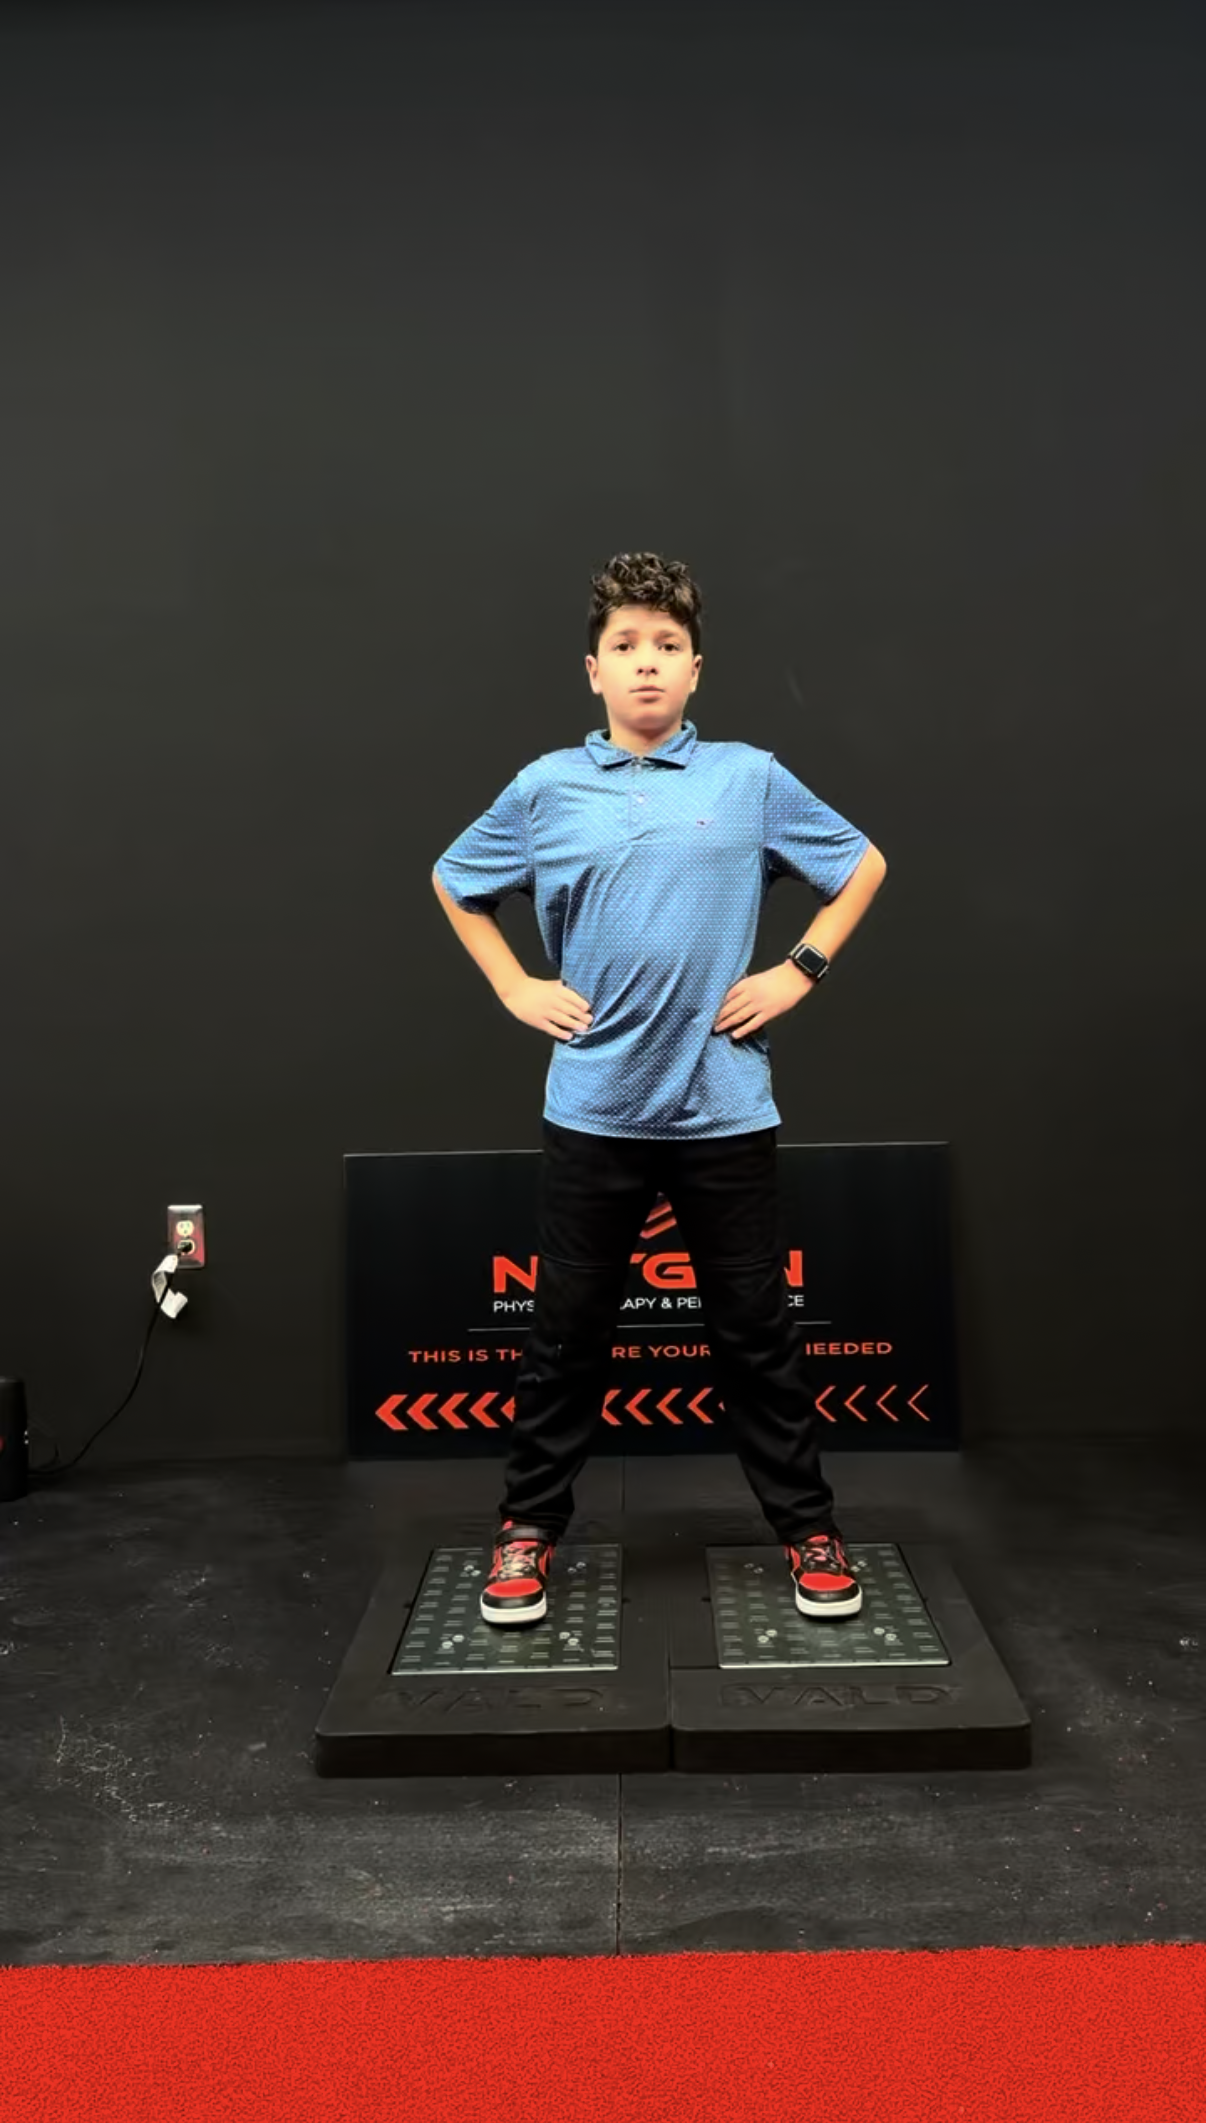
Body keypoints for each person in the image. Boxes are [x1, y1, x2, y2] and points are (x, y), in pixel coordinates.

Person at [432, 551, 887, 1628]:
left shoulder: (748, 778)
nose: (648, 665)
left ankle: (809, 1529)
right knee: (565, 1333)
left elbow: (861, 862)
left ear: (695, 670)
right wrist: (513, 983)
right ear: (594, 670)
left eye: (668, 647)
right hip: (593, 1107)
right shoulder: (547, 788)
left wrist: (798, 969)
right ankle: (527, 1532)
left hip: (724, 1108)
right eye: (627, 647)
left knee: (756, 1331)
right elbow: (457, 880)